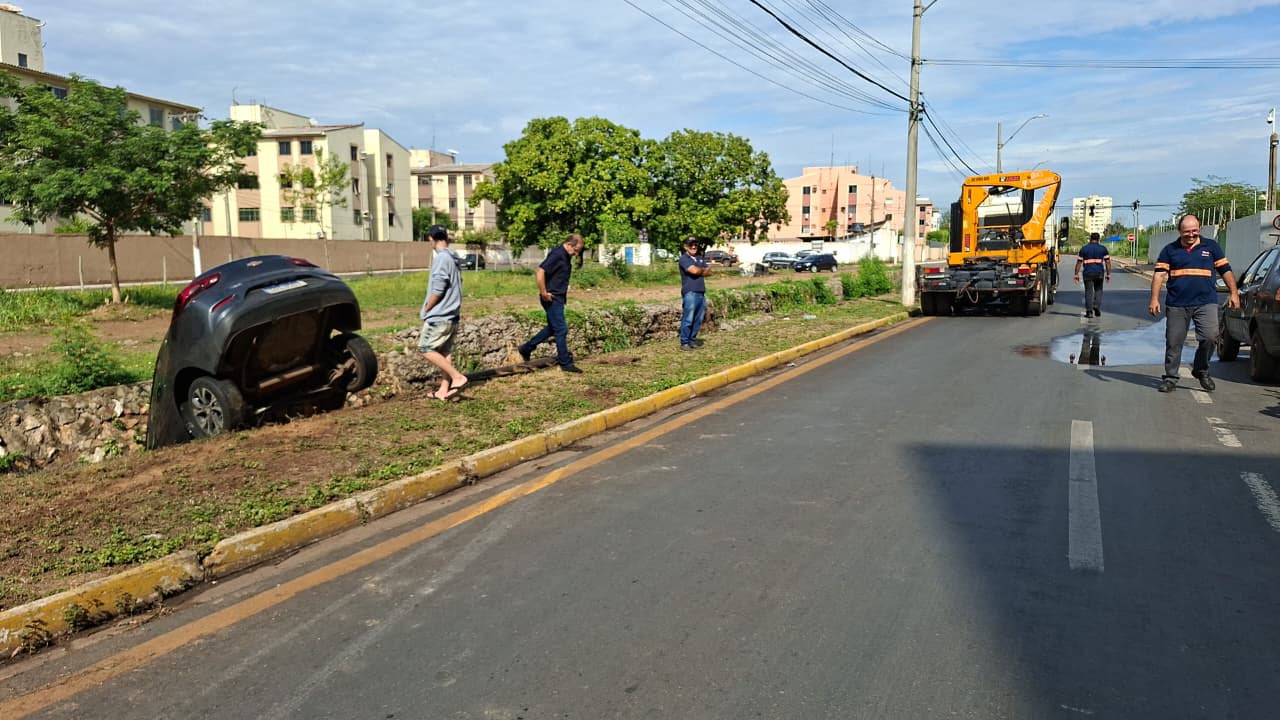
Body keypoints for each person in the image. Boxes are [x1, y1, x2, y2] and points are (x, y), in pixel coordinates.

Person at [1149, 214, 1240, 393]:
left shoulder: (1211, 247)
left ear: (1199, 229)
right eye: (1187, 232)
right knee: (1174, 341)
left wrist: (1234, 293)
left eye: (1194, 231)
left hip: (1205, 302)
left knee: (1211, 336)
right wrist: (1154, 299)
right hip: (1177, 304)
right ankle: (1171, 377)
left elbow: (1225, 271)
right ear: (1179, 231)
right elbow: (1159, 275)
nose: (1191, 235)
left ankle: (1201, 369)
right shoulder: (1170, 250)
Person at [518, 233, 585, 373]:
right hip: (551, 298)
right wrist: (544, 292)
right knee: (561, 329)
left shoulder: (565, 256)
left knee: (552, 328)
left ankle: (526, 348)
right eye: (576, 250)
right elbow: (540, 271)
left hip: (558, 297)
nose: (576, 253)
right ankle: (565, 363)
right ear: (569, 244)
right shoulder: (558, 254)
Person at [417, 224, 469, 400]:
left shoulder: (441, 259)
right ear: (446, 238)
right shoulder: (454, 257)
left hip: (440, 315)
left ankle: (458, 377)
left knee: (425, 348)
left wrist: (427, 307)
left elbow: (439, 288)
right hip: (452, 314)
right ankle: (443, 390)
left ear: (431, 239)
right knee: (445, 352)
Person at [678, 237, 712, 350]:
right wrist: (702, 270)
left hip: (701, 292)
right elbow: (694, 271)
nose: (693, 247)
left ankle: (692, 340)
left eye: (695, 245)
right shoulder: (684, 259)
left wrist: (699, 270)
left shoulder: (699, 258)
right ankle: (684, 342)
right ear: (685, 246)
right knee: (688, 318)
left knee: (698, 319)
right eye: (691, 245)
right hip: (690, 292)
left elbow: (710, 272)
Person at [1074, 232, 1112, 318]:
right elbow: (1108, 262)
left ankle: (1089, 312)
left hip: (1087, 273)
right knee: (1098, 290)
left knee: (1088, 292)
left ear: (1090, 239)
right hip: (1099, 273)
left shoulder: (1084, 249)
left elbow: (1079, 263)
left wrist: (1076, 274)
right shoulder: (1103, 249)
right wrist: (1108, 274)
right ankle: (1096, 306)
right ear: (1098, 239)